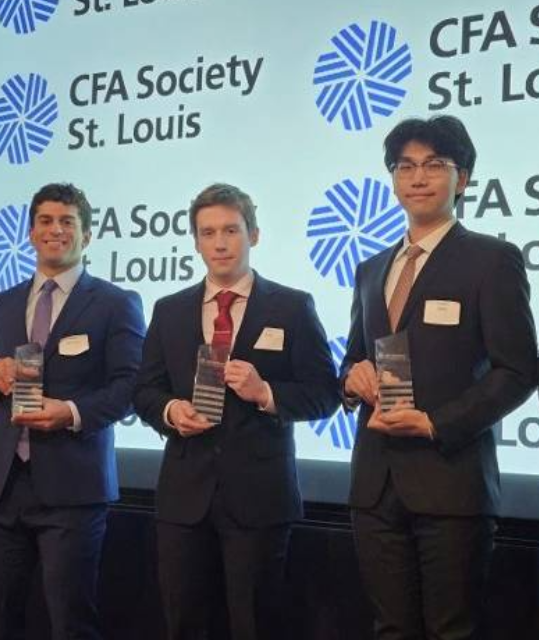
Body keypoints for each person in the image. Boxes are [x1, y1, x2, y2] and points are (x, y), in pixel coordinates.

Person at [341, 115, 537, 639]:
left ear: (463, 179)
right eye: (405, 166)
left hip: (452, 481)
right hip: (375, 484)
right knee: (390, 629)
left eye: (434, 165)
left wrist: (436, 423)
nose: (418, 177)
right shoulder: (371, 269)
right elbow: (354, 357)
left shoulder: (492, 260)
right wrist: (351, 379)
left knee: (453, 631)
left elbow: (518, 370)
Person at [133, 183, 339, 640]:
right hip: (184, 498)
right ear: (196, 242)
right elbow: (144, 389)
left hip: (259, 498)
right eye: (208, 233)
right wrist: (170, 411)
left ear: (255, 235)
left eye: (231, 230)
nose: (220, 242)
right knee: (185, 624)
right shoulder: (169, 311)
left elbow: (326, 393)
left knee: (255, 625)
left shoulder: (291, 306)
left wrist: (266, 392)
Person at [0, 182, 145, 639]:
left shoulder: (116, 303)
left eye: (67, 221)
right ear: (31, 232)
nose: (55, 230)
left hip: (74, 491)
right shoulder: (2, 304)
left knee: (71, 626)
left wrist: (70, 411)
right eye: (45, 220)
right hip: (0, 489)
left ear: (88, 235)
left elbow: (130, 387)